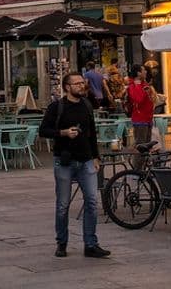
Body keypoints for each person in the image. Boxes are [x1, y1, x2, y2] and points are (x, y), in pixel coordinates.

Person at [39, 71, 110, 259]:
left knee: (92, 202)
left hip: (86, 159)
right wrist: (63, 133)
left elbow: (92, 132)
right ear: (67, 87)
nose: (81, 86)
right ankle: (61, 243)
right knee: (63, 204)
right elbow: (43, 130)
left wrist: (96, 156)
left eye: (82, 83)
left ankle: (91, 244)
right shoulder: (57, 107)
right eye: (77, 83)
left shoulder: (87, 104)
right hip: (64, 161)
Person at [125, 64, 155, 147]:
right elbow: (139, 99)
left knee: (147, 146)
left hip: (147, 118)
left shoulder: (144, 84)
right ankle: (138, 160)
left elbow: (150, 98)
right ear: (138, 73)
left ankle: (146, 160)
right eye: (143, 70)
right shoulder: (133, 86)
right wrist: (140, 86)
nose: (145, 72)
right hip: (140, 120)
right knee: (141, 146)